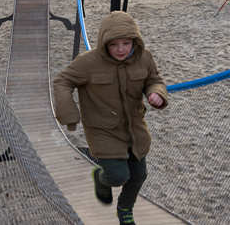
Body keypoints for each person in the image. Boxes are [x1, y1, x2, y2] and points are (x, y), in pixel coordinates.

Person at [53, 11, 168, 225]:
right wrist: (68, 111)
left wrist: (157, 93)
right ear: (105, 42)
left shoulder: (144, 58)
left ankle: (125, 208)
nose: (121, 49)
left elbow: (154, 79)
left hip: (134, 128)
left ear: (135, 40)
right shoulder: (88, 62)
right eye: (114, 44)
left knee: (139, 175)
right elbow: (62, 81)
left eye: (126, 43)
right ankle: (101, 178)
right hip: (102, 130)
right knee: (118, 176)